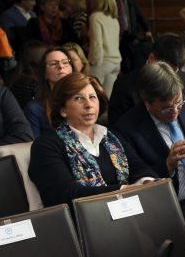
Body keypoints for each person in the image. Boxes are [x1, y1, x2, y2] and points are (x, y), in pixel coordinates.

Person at [112, 61, 185, 256]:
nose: (176, 111)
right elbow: (137, 176)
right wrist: (167, 164)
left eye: (179, 103)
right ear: (147, 101)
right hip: (175, 203)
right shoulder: (127, 128)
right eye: (167, 108)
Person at [28, 73, 149, 207]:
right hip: (82, 222)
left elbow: (140, 169)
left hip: (129, 210)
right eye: (79, 98)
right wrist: (122, 191)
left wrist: (146, 182)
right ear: (63, 110)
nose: (88, 104)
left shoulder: (112, 137)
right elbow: (64, 194)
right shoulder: (46, 145)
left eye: (92, 97)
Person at [107, 33, 185, 126]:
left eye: (174, 70)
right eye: (165, 69)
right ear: (151, 59)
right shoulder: (124, 86)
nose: (170, 76)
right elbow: (117, 128)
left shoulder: (182, 78)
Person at [24, 46, 73, 138]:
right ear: (44, 73)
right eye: (54, 64)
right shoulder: (35, 108)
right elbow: (34, 146)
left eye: (65, 62)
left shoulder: (85, 100)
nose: (61, 66)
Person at [88, 0, 122, 97]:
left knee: (92, 96)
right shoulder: (114, 19)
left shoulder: (95, 17)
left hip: (101, 62)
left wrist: (92, 63)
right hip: (115, 62)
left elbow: (97, 43)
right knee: (107, 99)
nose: (90, 0)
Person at [114, 0, 152, 73]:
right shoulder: (114, 5)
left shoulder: (131, 4)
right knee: (122, 57)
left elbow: (140, 17)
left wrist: (147, 30)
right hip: (120, 36)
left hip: (131, 34)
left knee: (134, 56)